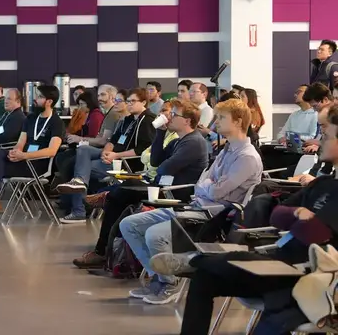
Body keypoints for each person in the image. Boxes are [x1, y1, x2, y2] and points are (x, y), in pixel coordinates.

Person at [149, 103, 338, 334]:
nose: (320, 140)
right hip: (280, 263)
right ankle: (197, 262)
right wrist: (299, 215)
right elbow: (277, 215)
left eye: (326, 134)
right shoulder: (323, 185)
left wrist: (298, 219)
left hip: (308, 275)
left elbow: (315, 233)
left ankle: (194, 259)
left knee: (235, 258)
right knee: (205, 278)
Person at [119, 98, 263, 304]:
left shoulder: (247, 157)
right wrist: (208, 185)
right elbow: (204, 181)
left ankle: (169, 283)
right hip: (196, 206)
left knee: (153, 235)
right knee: (129, 224)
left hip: (212, 217)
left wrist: (207, 185)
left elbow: (215, 190)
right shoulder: (226, 150)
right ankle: (160, 277)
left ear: (239, 122)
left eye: (221, 118)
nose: (215, 122)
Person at [71, 99, 208, 268]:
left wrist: (159, 168)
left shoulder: (193, 142)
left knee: (119, 195)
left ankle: (102, 250)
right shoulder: (178, 140)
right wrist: (159, 133)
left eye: (174, 115)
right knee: (120, 194)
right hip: (162, 187)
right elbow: (157, 161)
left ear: (187, 121)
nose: (169, 117)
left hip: (175, 192)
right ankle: (104, 247)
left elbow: (163, 168)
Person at [0, 84, 65, 229]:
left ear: (49, 101)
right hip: (23, 160)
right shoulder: (31, 118)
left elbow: (52, 151)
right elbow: (20, 142)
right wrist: (16, 152)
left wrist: (24, 155)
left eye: (39, 97)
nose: (35, 100)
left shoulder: (56, 123)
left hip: (37, 165)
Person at [57, 87, 157, 224]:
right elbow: (113, 140)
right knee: (83, 150)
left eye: (133, 101)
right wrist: (106, 151)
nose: (129, 104)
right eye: (128, 101)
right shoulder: (128, 119)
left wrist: (115, 155)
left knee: (80, 167)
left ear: (144, 102)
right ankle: (79, 183)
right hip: (113, 156)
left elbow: (142, 150)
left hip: (126, 162)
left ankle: (78, 210)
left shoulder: (147, 120)